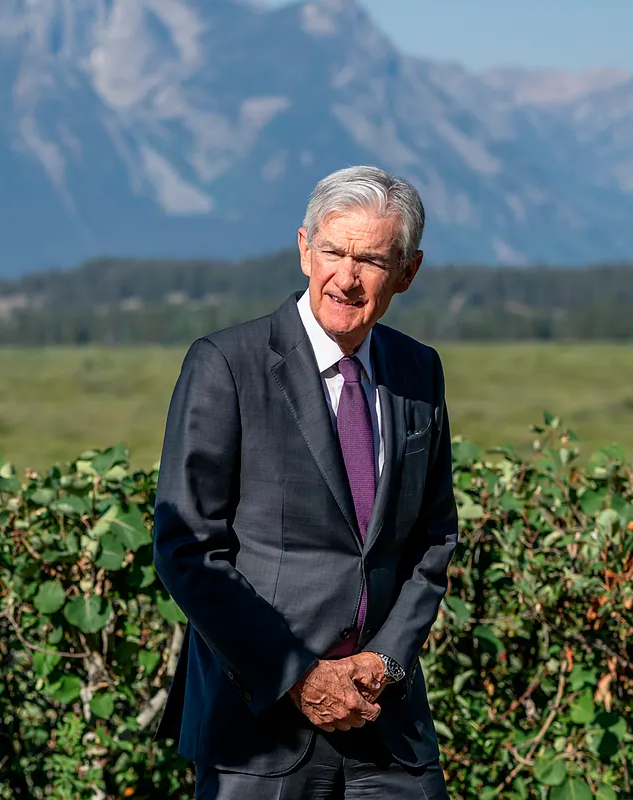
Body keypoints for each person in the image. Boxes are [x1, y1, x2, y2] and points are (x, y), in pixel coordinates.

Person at [152, 165, 458, 799]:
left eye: (370, 259)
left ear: (408, 271)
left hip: (389, 726)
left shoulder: (419, 370)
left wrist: (386, 662)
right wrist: (298, 676)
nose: (346, 277)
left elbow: (432, 543)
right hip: (260, 727)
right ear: (303, 249)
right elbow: (187, 549)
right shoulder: (226, 365)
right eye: (334, 252)